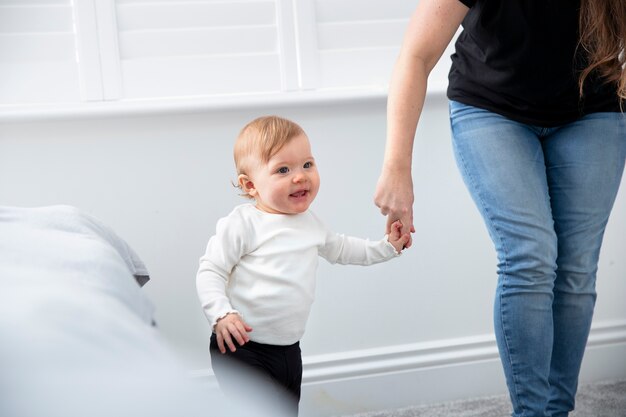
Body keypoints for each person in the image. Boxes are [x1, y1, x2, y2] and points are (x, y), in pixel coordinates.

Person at [374, 1, 625, 416]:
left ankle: (556, 411)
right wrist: (396, 167)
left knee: (577, 268)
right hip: (491, 107)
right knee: (530, 256)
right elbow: (416, 56)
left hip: (591, 109)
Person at [196, 115, 409, 416]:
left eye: (307, 164)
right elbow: (211, 271)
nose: (300, 176)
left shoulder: (310, 225)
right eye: (283, 170)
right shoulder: (244, 224)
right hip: (242, 347)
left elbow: (344, 249)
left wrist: (387, 246)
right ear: (250, 185)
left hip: (287, 349)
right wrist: (220, 314)